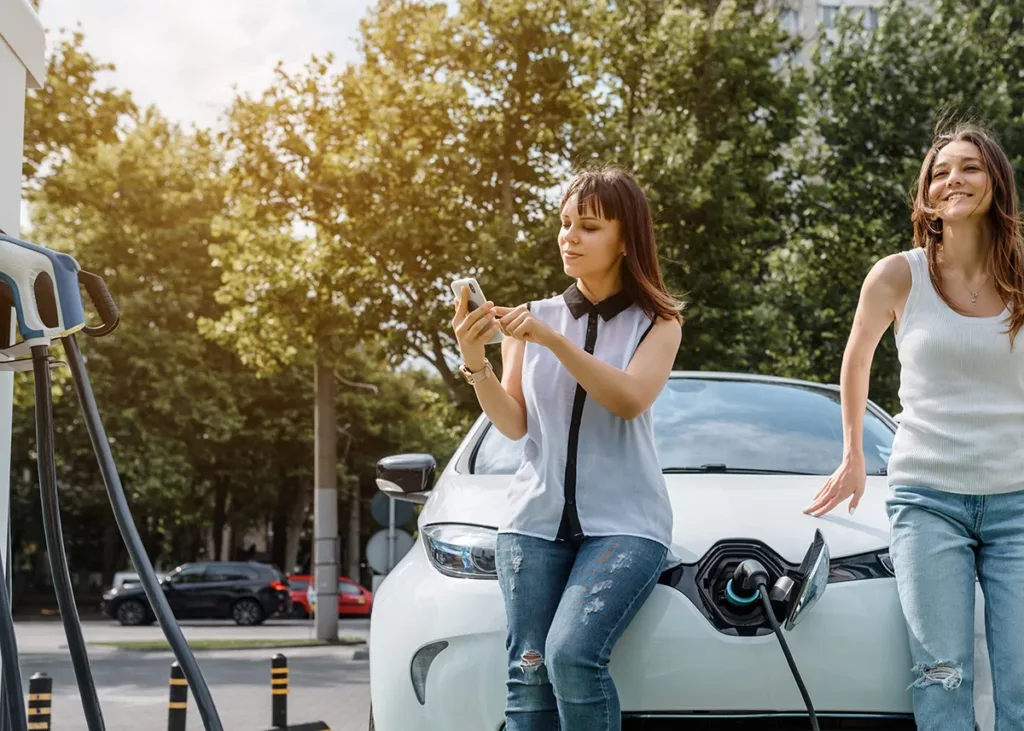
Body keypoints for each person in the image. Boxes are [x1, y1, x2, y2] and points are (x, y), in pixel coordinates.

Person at [803, 124, 1024, 730]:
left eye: (970, 168)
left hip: (1019, 502)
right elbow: (856, 360)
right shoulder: (899, 275)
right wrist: (853, 454)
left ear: (996, 181)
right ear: (926, 194)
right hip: (927, 500)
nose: (954, 180)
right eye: (940, 171)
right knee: (941, 673)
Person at [450, 167, 683, 731]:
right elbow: (513, 424)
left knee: (572, 656)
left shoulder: (658, 322)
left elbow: (628, 399)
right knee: (527, 675)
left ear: (625, 239)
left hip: (627, 525)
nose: (569, 237)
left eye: (589, 226)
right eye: (564, 224)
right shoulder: (532, 319)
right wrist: (475, 359)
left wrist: (553, 341)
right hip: (532, 524)